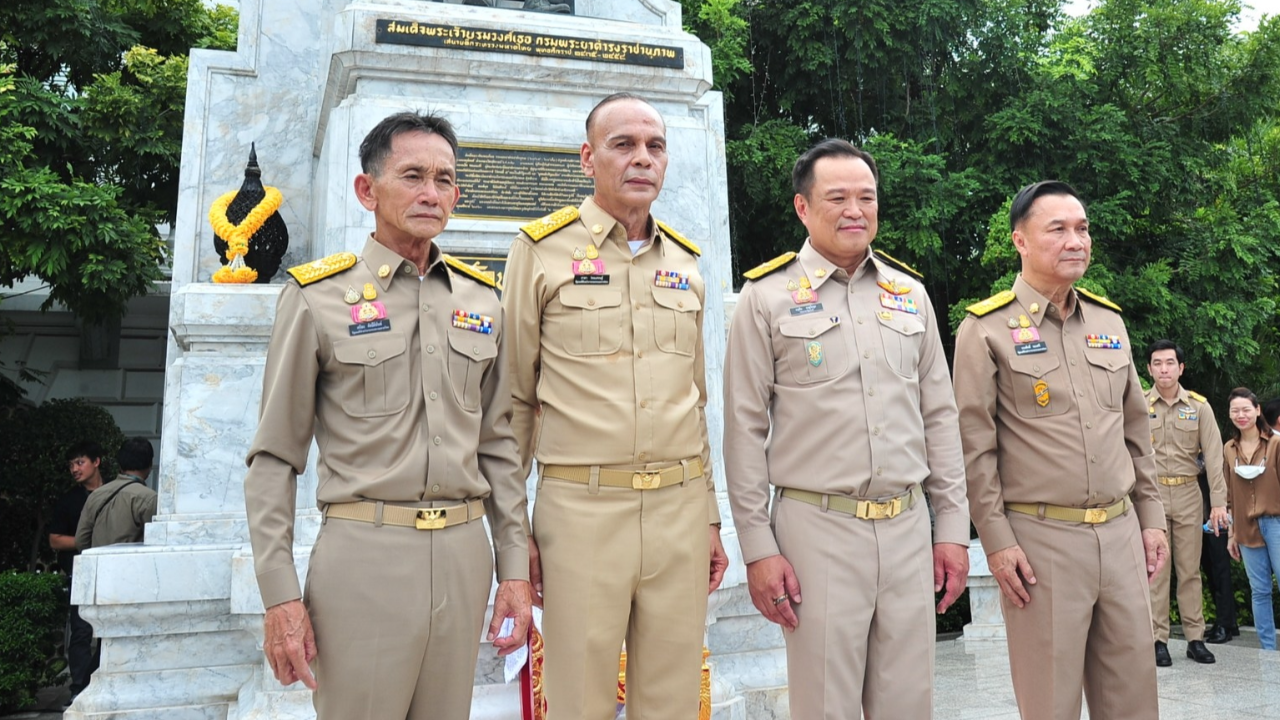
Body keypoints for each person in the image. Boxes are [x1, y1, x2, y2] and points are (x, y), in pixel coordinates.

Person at [242, 111, 531, 720]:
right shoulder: (317, 297)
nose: (432, 193)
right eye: (413, 175)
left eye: (446, 179)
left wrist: (514, 569)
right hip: (363, 555)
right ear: (366, 190)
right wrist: (279, 596)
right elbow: (274, 456)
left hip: (462, 553)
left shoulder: (482, 300)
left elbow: (499, 448)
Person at [722, 138, 970, 719]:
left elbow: (940, 418)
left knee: (909, 703)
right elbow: (742, 431)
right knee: (827, 705)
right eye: (837, 197)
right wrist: (758, 549)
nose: (854, 209)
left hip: (908, 526)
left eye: (866, 196)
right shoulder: (766, 298)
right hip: (818, 530)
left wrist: (952, 527)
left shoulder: (911, 295)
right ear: (803, 208)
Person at [502, 92, 728, 719]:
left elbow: (695, 400)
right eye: (623, 145)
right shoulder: (541, 252)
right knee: (579, 698)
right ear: (587, 157)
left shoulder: (685, 263)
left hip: (679, 511)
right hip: (582, 511)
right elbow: (513, 401)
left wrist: (709, 516)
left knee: (673, 700)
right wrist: (513, 530)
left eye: (655, 147)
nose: (641, 159)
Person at [953, 180, 1168, 720]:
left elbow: (1136, 437)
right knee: (1050, 702)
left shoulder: (1108, 322)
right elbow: (974, 452)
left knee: (1135, 698)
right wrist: (996, 542)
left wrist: (1152, 520)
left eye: (1083, 228)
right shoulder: (985, 331)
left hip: (1120, 535)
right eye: (1059, 229)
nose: (1076, 240)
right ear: (1019, 241)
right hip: (1041, 542)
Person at [1144, 340, 1226, 665]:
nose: (1164, 369)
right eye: (1157, 363)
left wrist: (1218, 503)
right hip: (1151, 497)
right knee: (1156, 570)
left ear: (1181, 368)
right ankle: (1157, 641)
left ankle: (1195, 638)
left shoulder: (1198, 407)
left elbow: (1215, 457)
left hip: (1190, 494)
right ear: (1149, 368)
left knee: (1190, 571)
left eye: (1169, 363)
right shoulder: (1137, 405)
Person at [48, 440, 107, 702]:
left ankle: (101, 678)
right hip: (80, 572)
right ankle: (80, 688)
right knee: (81, 632)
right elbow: (55, 540)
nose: (74, 469)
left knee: (110, 631)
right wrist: (89, 541)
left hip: (111, 571)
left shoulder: (114, 494)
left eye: (80, 462)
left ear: (96, 462)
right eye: (71, 464)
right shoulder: (69, 501)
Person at [1223, 387, 1280, 651]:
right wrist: (1232, 533)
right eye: (1235, 410)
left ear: (1257, 411)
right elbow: (1229, 496)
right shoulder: (1229, 449)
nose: (1241, 415)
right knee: (1259, 591)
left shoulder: (1276, 443)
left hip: (1276, 522)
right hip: (1245, 526)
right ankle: (1268, 650)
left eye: (1246, 409)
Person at [75, 437, 157, 551]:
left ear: (120, 463)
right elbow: (156, 542)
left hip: (99, 565)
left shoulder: (96, 495)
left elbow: (81, 541)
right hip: (132, 566)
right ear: (150, 464)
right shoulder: (149, 498)